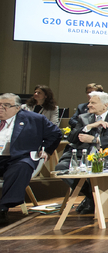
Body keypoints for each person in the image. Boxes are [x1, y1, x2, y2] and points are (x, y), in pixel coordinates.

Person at [55, 91, 108, 215]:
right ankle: (91, 196)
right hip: (81, 154)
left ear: (105, 105)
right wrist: (89, 127)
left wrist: (95, 140)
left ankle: (90, 200)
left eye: (93, 102)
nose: (89, 105)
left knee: (95, 167)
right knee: (60, 168)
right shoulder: (83, 118)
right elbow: (71, 138)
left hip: (104, 155)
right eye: (89, 102)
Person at [0, 93, 61, 225]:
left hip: (19, 157)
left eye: (6, 106)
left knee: (21, 167)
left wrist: (46, 150)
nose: (1, 108)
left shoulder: (34, 119)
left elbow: (55, 134)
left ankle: (3, 208)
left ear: (17, 108)